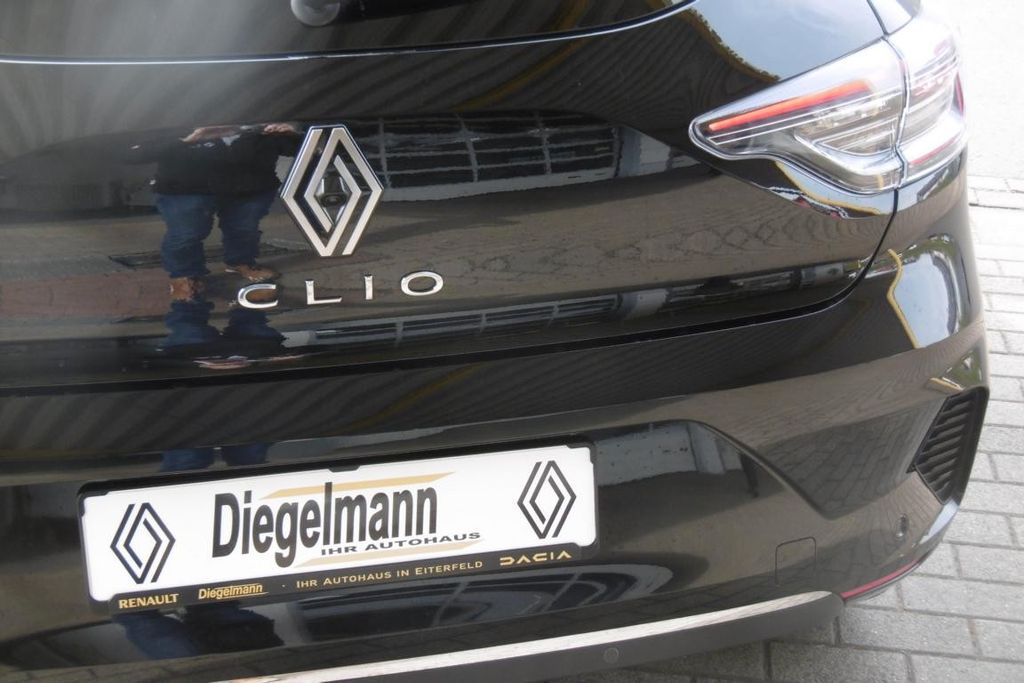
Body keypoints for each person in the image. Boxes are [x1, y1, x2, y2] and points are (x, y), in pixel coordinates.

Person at [127, 123, 302, 301]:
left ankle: (241, 262)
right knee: (186, 234)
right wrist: (187, 140)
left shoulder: (264, 120)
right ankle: (183, 276)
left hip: (250, 187)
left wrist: (294, 131)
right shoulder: (175, 119)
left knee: (244, 229)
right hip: (185, 188)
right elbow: (133, 154)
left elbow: (300, 149)